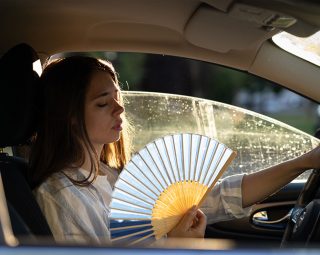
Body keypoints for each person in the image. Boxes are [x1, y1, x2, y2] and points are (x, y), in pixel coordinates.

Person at [29, 56, 320, 244]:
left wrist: (303, 162)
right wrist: (177, 246)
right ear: (70, 115)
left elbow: (214, 198)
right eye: (103, 102)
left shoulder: (113, 177)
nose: (120, 109)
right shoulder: (61, 196)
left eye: (118, 98)